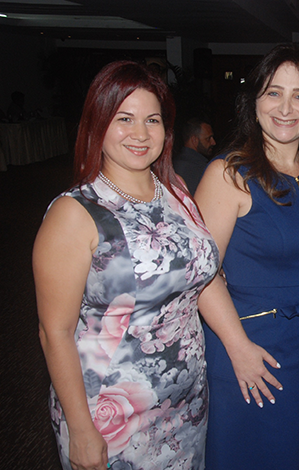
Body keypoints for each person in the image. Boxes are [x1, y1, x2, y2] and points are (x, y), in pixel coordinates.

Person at [33, 61, 219, 470]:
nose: (141, 133)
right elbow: (55, 332)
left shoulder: (176, 191)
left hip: (186, 398)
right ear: (97, 124)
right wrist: (81, 429)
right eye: (124, 118)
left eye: (152, 120)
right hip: (109, 413)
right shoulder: (74, 213)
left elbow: (201, 278)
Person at [195, 44, 299, 469]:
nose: (285, 108)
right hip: (247, 345)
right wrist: (239, 347)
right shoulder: (229, 173)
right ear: (254, 102)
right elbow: (200, 274)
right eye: (273, 93)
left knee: (296, 457)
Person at [173, 116, 216, 193]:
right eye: (208, 138)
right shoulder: (194, 168)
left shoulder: (176, 162)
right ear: (194, 140)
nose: (213, 142)